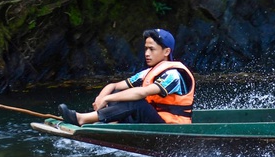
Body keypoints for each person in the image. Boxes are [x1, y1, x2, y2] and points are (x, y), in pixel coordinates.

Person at [58, 28, 195, 126]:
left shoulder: (174, 74)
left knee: (136, 101)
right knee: (118, 93)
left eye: (152, 49)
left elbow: (143, 92)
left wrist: (107, 98)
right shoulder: (147, 72)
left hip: (171, 126)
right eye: (146, 48)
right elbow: (115, 86)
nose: (147, 53)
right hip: (152, 120)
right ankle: (111, 123)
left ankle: (82, 119)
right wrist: (102, 97)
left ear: (166, 51)